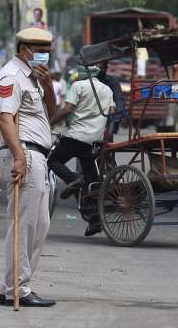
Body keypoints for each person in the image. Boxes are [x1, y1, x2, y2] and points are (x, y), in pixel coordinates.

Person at [0, 27, 57, 308]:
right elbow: (5, 118)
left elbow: (51, 115)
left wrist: (49, 86)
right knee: (24, 225)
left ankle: (10, 285)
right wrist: (19, 157)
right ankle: (16, 289)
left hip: (39, 156)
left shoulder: (34, 80)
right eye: (39, 49)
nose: (44, 55)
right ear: (24, 50)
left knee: (39, 226)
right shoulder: (11, 76)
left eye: (47, 50)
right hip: (25, 155)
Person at [48, 65, 115, 237]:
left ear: (83, 73)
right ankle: (94, 220)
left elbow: (68, 109)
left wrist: (51, 122)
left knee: (53, 160)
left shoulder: (79, 86)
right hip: (95, 141)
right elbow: (112, 111)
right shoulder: (107, 89)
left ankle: (73, 179)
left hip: (77, 136)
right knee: (91, 181)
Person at [97, 61, 125, 135]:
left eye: (102, 68)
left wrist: (118, 115)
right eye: (98, 68)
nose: (100, 70)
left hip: (107, 113)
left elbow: (119, 98)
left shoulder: (112, 81)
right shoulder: (87, 81)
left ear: (106, 68)